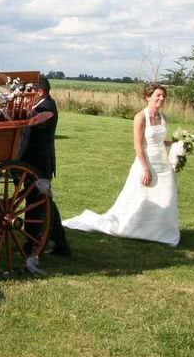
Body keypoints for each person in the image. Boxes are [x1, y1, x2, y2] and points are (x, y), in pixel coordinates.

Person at [64, 84, 180, 246]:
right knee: (141, 197)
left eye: (163, 96)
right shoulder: (141, 117)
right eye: (158, 95)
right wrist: (145, 169)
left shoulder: (162, 118)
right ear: (148, 97)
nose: (161, 98)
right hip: (147, 162)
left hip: (163, 164)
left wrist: (178, 143)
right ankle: (138, 227)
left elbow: (159, 141)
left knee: (166, 197)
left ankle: (162, 231)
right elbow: (138, 145)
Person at [19, 74, 71, 256]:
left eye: (29, 90)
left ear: (40, 91)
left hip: (40, 163)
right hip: (30, 162)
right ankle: (31, 240)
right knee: (33, 202)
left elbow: (34, 119)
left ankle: (60, 243)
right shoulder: (37, 105)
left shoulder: (48, 106)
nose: (25, 94)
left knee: (44, 201)